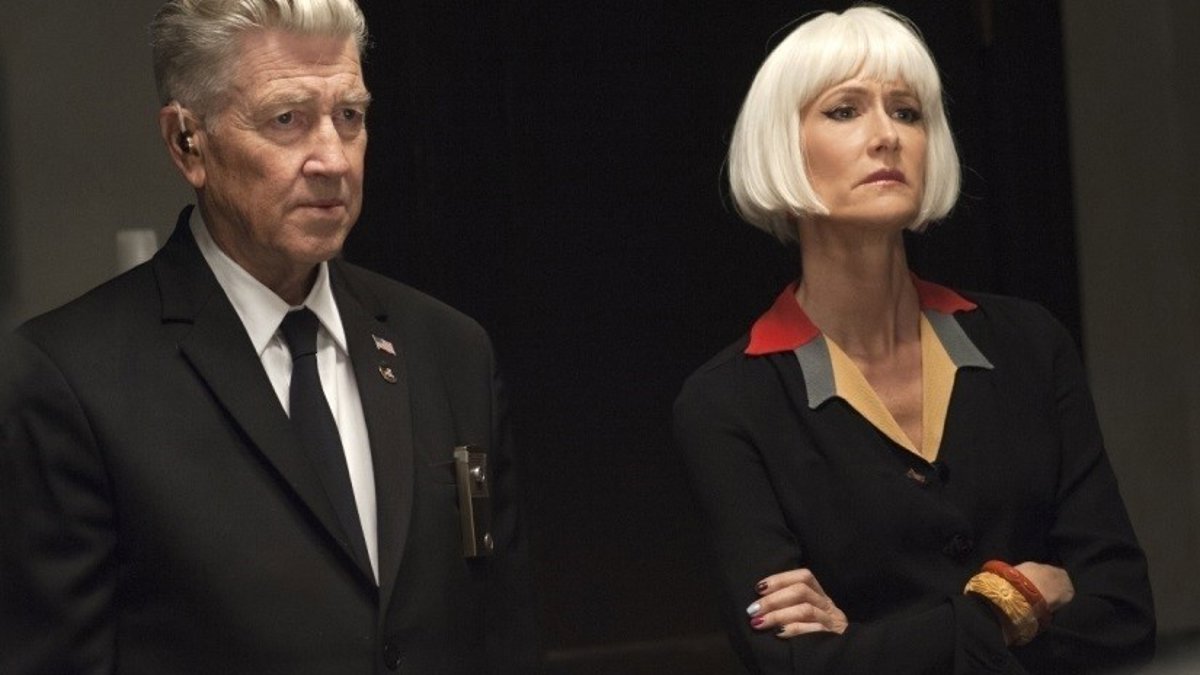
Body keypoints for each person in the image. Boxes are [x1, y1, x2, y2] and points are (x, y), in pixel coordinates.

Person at [0, 1, 534, 672]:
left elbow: (502, 636)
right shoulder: (74, 381)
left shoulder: (448, 351)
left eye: (350, 116)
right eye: (287, 119)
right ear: (186, 142)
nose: (333, 159)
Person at [673, 6, 1154, 674]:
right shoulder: (727, 403)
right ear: (780, 147)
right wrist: (1013, 603)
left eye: (906, 112)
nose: (886, 136)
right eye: (845, 110)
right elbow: (795, 665)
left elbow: (1124, 615)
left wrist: (866, 642)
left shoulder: (1029, 344)